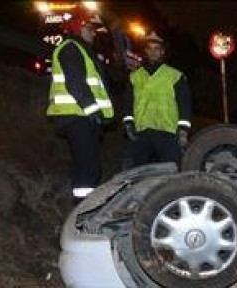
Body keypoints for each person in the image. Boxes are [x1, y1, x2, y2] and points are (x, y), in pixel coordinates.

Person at [46, 7, 113, 204]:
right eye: (89, 28)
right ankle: (83, 215)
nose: (93, 33)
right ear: (77, 28)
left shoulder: (81, 50)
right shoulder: (71, 48)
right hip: (77, 116)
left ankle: (80, 214)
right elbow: (75, 84)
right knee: (89, 168)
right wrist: (93, 112)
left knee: (84, 166)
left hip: (79, 116)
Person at [121, 31, 192, 169]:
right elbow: (128, 102)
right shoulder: (135, 76)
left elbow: (185, 105)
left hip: (167, 132)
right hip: (142, 132)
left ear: (162, 52)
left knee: (172, 171)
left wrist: (183, 130)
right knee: (132, 170)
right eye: (150, 48)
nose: (153, 52)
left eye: (157, 49)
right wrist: (128, 124)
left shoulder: (175, 76)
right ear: (145, 51)